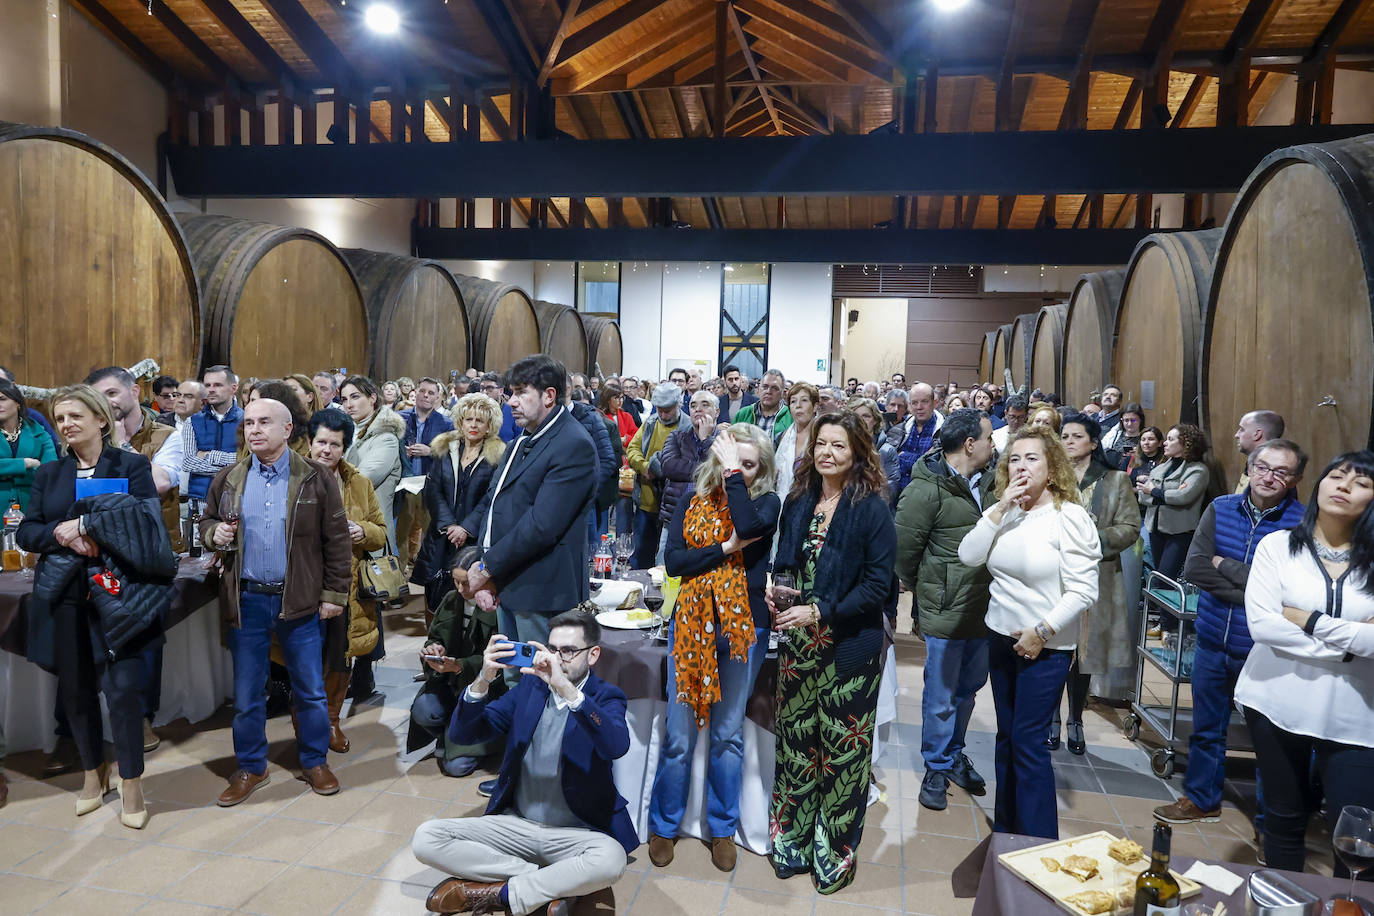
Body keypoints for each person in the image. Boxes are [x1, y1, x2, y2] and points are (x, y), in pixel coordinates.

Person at [16, 385, 171, 829]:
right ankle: (92, 772)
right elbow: (28, 532)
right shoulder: (50, 474)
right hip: (65, 595)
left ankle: (132, 779)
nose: (66, 424)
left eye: (75, 416)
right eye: (60, 418)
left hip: (120, 593)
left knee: (123, 690)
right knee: (77, 690)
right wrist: (63, 534)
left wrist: (89, 526)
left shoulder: (132, 466)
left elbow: (146, 523)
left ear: (102, 419)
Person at [411, 614, 636, 916]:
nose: (556, 659)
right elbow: (464, 734)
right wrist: (483, 678)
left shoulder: (606, 697)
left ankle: (498, 893)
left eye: (567, 651)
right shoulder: (530, 688)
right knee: (426, 838)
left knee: (611, 859)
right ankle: (548, 885)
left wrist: (568, 691)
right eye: (551, 649)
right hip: (516, 823)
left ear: (593, 654)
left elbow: (616, 745)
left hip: (575, 832)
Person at [767, 411, 897, 892]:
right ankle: (793, 841)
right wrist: (775, 586)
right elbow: (786, 561)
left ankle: (833, 853)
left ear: (858, 452)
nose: (827, 453)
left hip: (847, 649)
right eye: (821, 443)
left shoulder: (872, 508)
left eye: (839, 446)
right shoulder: (798, 498)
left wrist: (820, 612)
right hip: (798, 646)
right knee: (797, 747)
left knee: (842, 756)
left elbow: (878, 587)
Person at [202, 398, 352, 807]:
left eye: (264, 422)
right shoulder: (229, 478)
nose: (254, 430)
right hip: (247, 601)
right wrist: (212, 532)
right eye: (249, 422)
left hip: (300, 601)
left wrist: (334, 596)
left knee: (310, 691)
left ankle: (314, 761)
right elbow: (207, 521)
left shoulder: (316, 479)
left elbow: (336, 543)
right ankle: (252, 766)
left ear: (288, 430)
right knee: (248, 694)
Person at [1153, 439, 1306, 829]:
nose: (1269, 477)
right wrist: (1259, 590)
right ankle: (1203, 799)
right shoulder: (1221, 509)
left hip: (1263, 650)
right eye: (1262, 467)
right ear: (1250, 468)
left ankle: (1270, 824)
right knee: (1205, 728)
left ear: (1295, 479)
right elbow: (1197, 569)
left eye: (1281, 472)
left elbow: (1291, 593)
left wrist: (1229, 566)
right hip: (1211, 640)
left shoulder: (1301, 526)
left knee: (1270, 742)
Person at [1233, 452, 1374, 874]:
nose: (1344, 485)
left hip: (1355, 714)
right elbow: (1264, 626)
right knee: (1283, 818)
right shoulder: (1278, 546)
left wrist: (1308, 619)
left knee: (1357, 833)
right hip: (1277, 700)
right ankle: (1284, 900)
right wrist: (1352, 643)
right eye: (1336, 475)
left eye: (1361, 482)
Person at [958, 425, 1101, 838]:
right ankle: (1007, 833)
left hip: (1046, 646)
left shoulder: (1068, 517)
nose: (1021, 465)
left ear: (1053, 468)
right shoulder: (1008, 511)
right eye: (1014, 458)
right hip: (1001, 638)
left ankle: (1038, 843)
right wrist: (1000, 508)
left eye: (1032, 458)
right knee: (1007, 739)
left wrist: (1042, 630)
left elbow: (1083, 590)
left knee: (1028, 746)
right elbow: (968, 555)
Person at [649, 424, 780, 872]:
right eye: (731, 462)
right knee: (680, 737)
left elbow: (748, 524)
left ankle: (723, 827)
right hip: (690, 623)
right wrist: (725, 547)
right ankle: (663, 826)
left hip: (744, 629)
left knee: (727, 737)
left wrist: (731, 479)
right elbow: (674, 563)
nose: (738, 471)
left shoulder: (765, 503)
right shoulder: (690, 500)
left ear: (760, 469)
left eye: (748, 465)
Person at [455, 356, 598, 665]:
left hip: (540, 591)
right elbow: (495, 504)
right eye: (510, 393)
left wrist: (487, 568)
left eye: (521, 393)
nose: (511, 403)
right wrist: (484, 565)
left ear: (549, 395)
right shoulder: (524, 438)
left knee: (537, 682)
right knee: (511, 678)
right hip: (509, 580)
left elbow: (541, 525)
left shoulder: (573, 444)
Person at [895, 409, 996, 811]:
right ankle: (935, 764)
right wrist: (934, 590)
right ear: (969, 444)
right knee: (941, 693)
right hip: (945, 609)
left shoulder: (992, 483)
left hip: (986, 608)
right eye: (988, 438)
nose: (994, 445)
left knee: (969, 689)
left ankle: (954, 753)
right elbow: (903, 554)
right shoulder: (926, 489)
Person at [1048, 415, 1141, 754]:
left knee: (1083, 653)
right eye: (1064, 436)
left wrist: (1091, 539)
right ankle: (1051, 718)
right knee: (1055, 645)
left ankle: (1075, 717)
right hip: (1054, 575)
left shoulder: (1115, 480)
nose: (1069, 441)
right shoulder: (1052, 478)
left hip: (1096, 575)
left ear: (1093, 442)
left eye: (1077, 436)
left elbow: (1131, 527)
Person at [304, 409, 386, 755]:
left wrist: (361, 530)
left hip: (345, 587)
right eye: (321, 442)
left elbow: (380, 532)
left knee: (340, 657)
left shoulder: (359, 483)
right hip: (304, 584)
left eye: (335, 444)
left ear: (345, 447)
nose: (327, 450)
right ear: (309, 443)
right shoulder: (294, 477)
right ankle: (307, 722)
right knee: (306, 658)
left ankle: (332, 720)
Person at [412, 393, 502, 615]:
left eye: (480, 420)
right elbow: (433, 490)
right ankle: (434, 643)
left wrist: (466, 527)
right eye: (468, 419)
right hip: (441, 535)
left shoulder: (499, 455)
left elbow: (492, 497)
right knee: (435, 596)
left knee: (469, 598)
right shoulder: (445, 448)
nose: (473, 425)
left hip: (474, 539)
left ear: (489, 426)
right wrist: (449, 525)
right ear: (460, 422)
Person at [338, 376, 405, 552]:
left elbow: (361, 480)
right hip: (346, 524)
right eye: (344, 399)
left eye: (355, 397)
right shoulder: (346, 432)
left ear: (372, 398)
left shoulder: (386, 438)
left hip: (371, 532)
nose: (349, 405)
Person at [1136, 424, 1210, 583]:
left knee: (1164, 578)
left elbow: (1183, 497)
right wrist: (1163, 495)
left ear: (1185, 443)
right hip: (1155, 530)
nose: (1165, 443)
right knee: (1157, 574)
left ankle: (1163, 608)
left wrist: (1154, 492)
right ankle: (1158, 607)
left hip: (1179, 532)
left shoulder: (1197, 470)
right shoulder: (1160, 468)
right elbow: (1142, 496)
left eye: (1170, 439)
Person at [398, 378, 456, 574]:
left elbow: (454, 453)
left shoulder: (446, 423)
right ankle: (397, 579)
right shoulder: (400, 418)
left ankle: (429, 579)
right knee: (400, 534)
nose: (426, 396)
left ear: (438, 397)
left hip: (431, 486)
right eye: (423, 391)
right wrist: (400, 451)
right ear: (415, 392)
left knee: (432, 534)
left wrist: (431, 451)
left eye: (431, 393)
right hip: (404, 485)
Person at [626, 383, 685, 569]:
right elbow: (633, 448)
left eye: (668, 410)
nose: (663, 415)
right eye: (660, 410)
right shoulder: (651, 423)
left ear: (679, 404)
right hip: (647, 500)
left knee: (666, 558)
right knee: (641, 554)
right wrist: (643, 467)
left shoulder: (688, 426)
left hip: (674, 505)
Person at [657, 390, 719, 535]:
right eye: (693, 405)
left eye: (705, 405)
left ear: (716, 412)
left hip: (711, 516)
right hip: (675, 514)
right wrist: (706, 471)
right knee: (664, 557)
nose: (698, 409)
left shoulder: (724, 439)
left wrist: (706, 441)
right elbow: (669, 467)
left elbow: (719, 473)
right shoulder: (677, 437)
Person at [182, 365, 242, 501]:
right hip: (200, 499)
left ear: (234, 388)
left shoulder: (246, 421)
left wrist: (210, 455)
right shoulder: (192, 422)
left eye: (218, 385)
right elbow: (188, 462)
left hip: (237, 498)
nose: (211, 390)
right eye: (207, 385)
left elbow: (246, 461)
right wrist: (229, 467)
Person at [0, 377, 57, 511]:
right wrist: (25, 464)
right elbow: (39, 468)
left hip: (32, 506)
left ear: (17, 402)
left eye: (2, 399)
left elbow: (51, 471)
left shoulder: (39, 432)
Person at [894, 383, 944, 497]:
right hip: (897, 494)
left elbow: (932, 466)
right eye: (914, 403)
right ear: (909, 405)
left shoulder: (944, 431)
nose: (919, 407)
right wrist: (922, 457)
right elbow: (891, 462)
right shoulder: (900, 428)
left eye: (924, 401)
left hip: (927, 495)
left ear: (934, 403)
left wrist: (903, 456)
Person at [774, 383, 819, 499]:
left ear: (815, 406)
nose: (798, 405)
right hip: (783, 499)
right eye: (793, 401)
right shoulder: (782, 436)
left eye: (804, 400)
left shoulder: (822, 436)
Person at [1233, 410, 1285, 494]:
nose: (1236, 435)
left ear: (1257, 434)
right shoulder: (1255, 463)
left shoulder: (1270, 474)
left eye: (1242, 429)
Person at [734, 369, 791, 440]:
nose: (768, 391)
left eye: (774, 388)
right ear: (758, 388)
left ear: (783, 393)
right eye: (765, 386)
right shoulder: (743, 414)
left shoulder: (791, 417)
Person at [479, 372, 521, 442]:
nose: (484, 392)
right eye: (482, 388)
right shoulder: (474, 411)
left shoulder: (513, 412)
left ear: (501, 391)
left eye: (490, 388)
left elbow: (519, 440)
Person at [1106, 402, 1145, 467]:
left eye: (1133, 420)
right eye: (1126, 420)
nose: (1129, 424)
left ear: (1140, 420)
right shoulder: (1113, 435)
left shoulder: (1145, 437)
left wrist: (1139, 455)